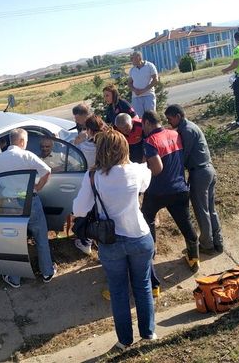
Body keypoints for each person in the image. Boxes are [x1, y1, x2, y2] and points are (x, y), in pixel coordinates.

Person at [72, 130, 156, 350]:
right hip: (139, 237)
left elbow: (78, 209)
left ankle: (124, 340)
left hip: (110, 242)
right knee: (143, 286)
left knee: (118, 292)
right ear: (125, 147)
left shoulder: (94, 177)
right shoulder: (137, 171)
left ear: (100, 150)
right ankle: (148, 333)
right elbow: (145, 183)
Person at [0, 128, 56, 288]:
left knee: (14, 242)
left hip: (10, 203)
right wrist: (38, 187)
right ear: (22, 141)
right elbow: (47, 171)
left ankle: (15, 278)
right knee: (41, 237)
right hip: (30, 200)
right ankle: (47, 272)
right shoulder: (27, 156)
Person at [141, 111, 200, 273]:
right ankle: (194, 259)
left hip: (157, 192)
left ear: (146, 123)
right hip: (179, 189)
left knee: (147, 219)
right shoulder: (175, 134)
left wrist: (145, 169)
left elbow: (157, 169)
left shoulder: (150, 141)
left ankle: (151, 252)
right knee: (185, 223)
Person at [165, 104, 224, 254]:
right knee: (211, 209)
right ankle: (218, 241)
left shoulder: (187, 131)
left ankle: (207, 245)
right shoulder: (190, 126)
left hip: (200, 173)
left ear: (178, 116)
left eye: (170, 119)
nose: (169, 122)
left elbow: (183, 155)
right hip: (207, 170)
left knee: (201, 210)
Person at [73, 115, 108, 255]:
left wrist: (78, 140)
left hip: (91, 182)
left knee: (86, 213)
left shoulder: (84, 146)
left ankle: (85, 242)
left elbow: (73, 155)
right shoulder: (108, 142)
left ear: (88, 129)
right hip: (108, 181)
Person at [127, 51, 159, 118]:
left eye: (132, 58)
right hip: (136, 97)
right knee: (139, 118)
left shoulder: (150, 65)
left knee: (151, 117)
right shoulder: (132, 70)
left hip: (148, 95)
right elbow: (129, 83)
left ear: (138, 58)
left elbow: (155, 80)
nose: (131, 60)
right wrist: (135, 90)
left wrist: (144, 90)